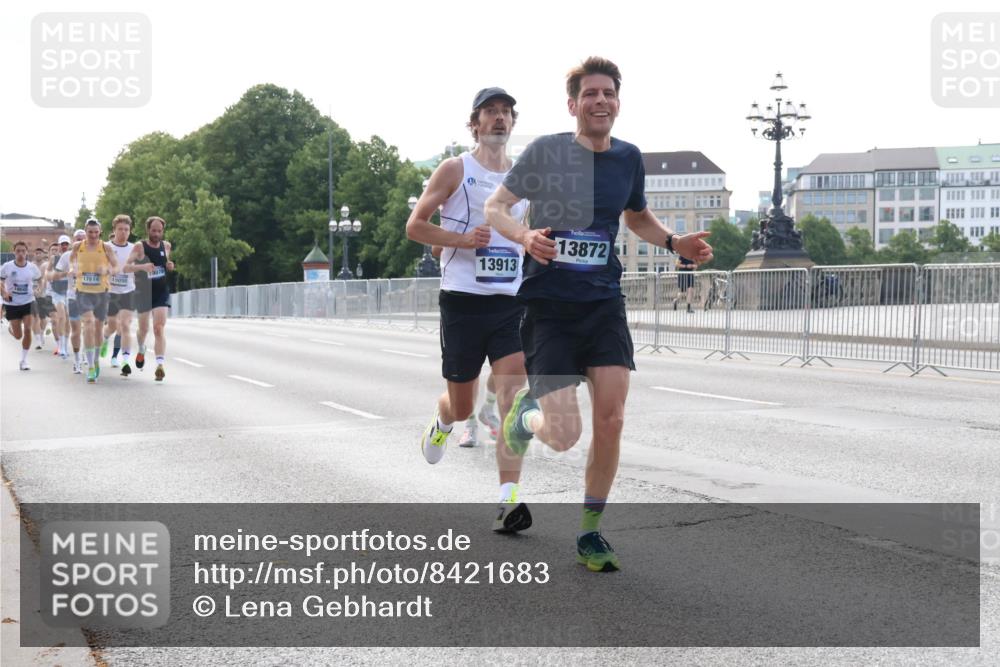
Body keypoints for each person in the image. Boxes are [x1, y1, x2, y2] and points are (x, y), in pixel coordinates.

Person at [485, 57, 713, 571]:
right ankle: (526, 412)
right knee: (565, 436)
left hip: (604, 304)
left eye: (608, 93)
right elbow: (495, 207)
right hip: (550, 307)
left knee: (611, 419)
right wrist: (524, 236)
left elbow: (635, 215)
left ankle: (590, 532)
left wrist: (676, 241)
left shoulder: (629, 158)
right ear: (574, 104)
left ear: (618, 101)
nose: (600, 101)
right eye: (590, 94)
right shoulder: (547, 151)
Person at [406, 87, 532, 532]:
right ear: (475, 123)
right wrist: (462, 240)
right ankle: (442, 421)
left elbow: (525, 235)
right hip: (461, 301)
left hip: (509, 303)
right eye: (489, 113)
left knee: (513, 397)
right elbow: (415, 226)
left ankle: (508, 499)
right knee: (462, 406)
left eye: (505, 113)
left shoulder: (522, 179)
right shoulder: (456, 169)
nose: (498, 119)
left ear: (513, 123)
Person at [431, 244, 502, 448]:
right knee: (471, 372)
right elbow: (437, 248)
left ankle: (488, 409)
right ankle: (469, 424)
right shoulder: (463, 212)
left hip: (506, 297)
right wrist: (467, 241)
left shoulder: (519, 211)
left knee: (512, 363)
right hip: (466, 298)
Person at [68, 218, 119, 383]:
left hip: (102, 292)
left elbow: (116, 267)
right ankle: (90, 366)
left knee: (98, 328)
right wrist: (73, 269)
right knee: (88, 323)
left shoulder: (106, 247)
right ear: (85, 231)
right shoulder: (78, 246)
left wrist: (107, 269)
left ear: (100, 232)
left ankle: (96, 359)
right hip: (82, 291)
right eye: (90, 232)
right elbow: (72, 261)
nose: (93, 235)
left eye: (96, 232)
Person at [130, 216, 173, 381]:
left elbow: (165, 263)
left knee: (158, 328)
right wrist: (142, 267)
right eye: (153, 231)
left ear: (163, 231)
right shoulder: (139, 246)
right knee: (143, 330)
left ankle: (159, 365)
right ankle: (141, 348)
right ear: (148, 230)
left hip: (161, 292)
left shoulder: (166, 245)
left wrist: (169, 265)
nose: (156, 234)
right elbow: (126, 266)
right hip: (143, 293)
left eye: (159, 231)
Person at [102, 215, 144, 376]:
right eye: (120, 229)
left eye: (126, 229)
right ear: (114, 230)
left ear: (130, 231)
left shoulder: (134, 248)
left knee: (125, 325)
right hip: (110, 292)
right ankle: (105, 337)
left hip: (128, 291)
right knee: (113, 325)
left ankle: (125, 360)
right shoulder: (106, 247)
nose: (123, 232)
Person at [1, 241, 42, 370]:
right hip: (12, 303)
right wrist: (4, 292)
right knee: (19, 336)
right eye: (18, 251)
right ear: (14, 252)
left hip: (28, 301)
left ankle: (23, 360)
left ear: (26, 252)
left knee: (28, 329)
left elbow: (40, 279)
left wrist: (38, 289)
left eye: (23, 251)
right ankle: (12, 330)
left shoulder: (32, 267)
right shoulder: (7, 267)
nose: (20, 253)